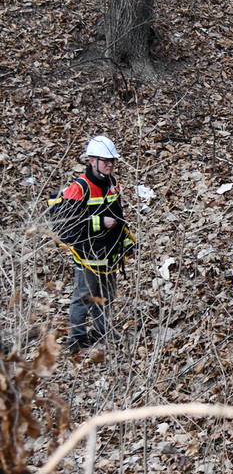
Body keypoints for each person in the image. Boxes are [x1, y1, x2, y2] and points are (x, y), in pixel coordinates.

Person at [50, 135, 136, 352]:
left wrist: (127, 243)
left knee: (106, 296)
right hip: (87, 255)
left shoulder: (112, 184)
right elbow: (67, 225)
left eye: (112, 160)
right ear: (92, 160)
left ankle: (101, 333)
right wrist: (99, 222)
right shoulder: (78, 188)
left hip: (110, 253)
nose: (110, 164)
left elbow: (119, 219)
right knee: (83, 298)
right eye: (105, 160)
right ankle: (77, 340)